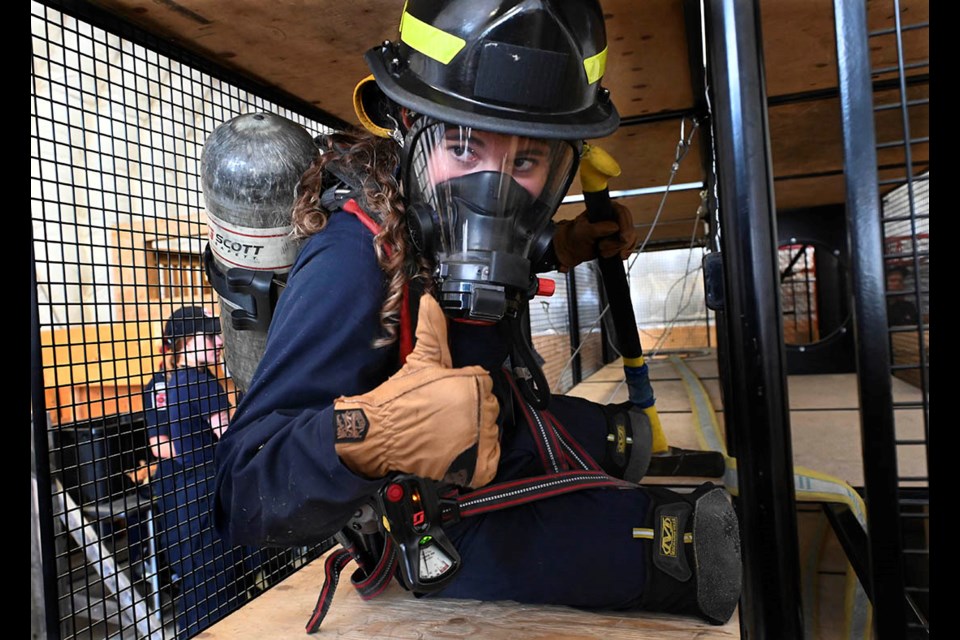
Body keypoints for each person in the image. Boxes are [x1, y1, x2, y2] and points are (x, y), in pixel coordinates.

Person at [213, 0, 742, 628]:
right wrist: (373, 433)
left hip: (505, 421)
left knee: (629, 441)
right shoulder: (355, 260)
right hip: (429, 513)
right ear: (408, 123)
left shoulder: (436, 215)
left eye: (525, 162)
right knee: (692, 550)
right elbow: (243, 491)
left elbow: (475, 240)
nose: (491, 189)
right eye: (464, 147)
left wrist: (559, 247)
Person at [151, 306, 256, 638]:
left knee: (199, 589)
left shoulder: (178, 381)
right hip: (207, 493)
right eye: (208, 336)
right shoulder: (200, 383)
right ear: (184, 342)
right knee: (221, 586)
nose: (218, 341)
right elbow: (229, 436)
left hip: (185, 497)